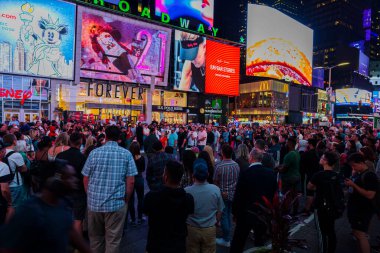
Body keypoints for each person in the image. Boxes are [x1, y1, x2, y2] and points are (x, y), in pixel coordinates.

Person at [0, 160, 91, 253]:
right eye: (70, 178)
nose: (75, 181)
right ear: (54, 181)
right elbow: (7, 248)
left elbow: (74, 236)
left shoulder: (63, 204)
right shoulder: (29, 211)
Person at [82, 125, 137, 253]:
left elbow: (85, 178)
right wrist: (126, 199)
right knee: (113, 241)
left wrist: (90, 196)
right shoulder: (126, 154)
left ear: (105, 136)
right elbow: (131, 181)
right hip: (116, 203)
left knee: (95, 240)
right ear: (119, 138)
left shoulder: (94, 153)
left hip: (94, 203)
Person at [231, 149, 277, 252]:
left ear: (251, 158)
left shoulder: (246, 173)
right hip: (263, 213)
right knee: (260, 243)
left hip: (246, 213)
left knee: (238, 242)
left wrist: (235, 212)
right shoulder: (270, 173)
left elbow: (238, 195)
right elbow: (274, 194)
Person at [143, 160, 194, 253]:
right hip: (178, 245)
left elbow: (146, 212)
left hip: (156, 245)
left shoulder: (151, 197)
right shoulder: (188, 199)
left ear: (165, 177)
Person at [185, 158, 224, 253]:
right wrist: (216, 222)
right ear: (207, 174)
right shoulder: (215, 189)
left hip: (191, 228)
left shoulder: (186, 191)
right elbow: (220, 211)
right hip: (209, 228)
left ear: (193, 175)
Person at [308, 152, 343, 253]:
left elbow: (309, 186)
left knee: (321, 232)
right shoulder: (336, 175)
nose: (320, 158)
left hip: (320, 207)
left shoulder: (318, 175)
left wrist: (318, 187)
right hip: (333, 206)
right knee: (331, 230)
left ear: (326, 161)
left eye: (322, 157)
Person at [345, 153, 378, 253]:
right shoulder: (360, 173)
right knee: (357, 233)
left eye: (354, 165)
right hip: (357, 209)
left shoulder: (370, 175)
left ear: (361, 163)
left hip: (363, 210)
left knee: (361, 235)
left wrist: (353, 185)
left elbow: (370, 195)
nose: (353, 168)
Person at [56, 132, 87, 236]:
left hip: (62, 190)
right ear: (80, 142)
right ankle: (77, 246)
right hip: (79, 191)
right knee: (78, 219)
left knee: (63, 215)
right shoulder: (82, 157)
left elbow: (56, 174)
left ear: (69, 142)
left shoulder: (60, 155)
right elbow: (84, 176)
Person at [214, 144, 240, 247]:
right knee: (228, 213)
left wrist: (220, 191)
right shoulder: (236, 165)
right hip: (233, 193)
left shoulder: (219, 166)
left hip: (223, 193)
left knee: (224, 214)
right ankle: (227, 235)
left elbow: (215, 181)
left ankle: (226, 238)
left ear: (222, 153)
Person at [3, 134, 27, 209]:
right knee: (15, 207)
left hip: (3, 184)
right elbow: (24, 169)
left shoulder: (2, 152)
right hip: (14, 184)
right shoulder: (16, 155)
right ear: (14, 141)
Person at [278, 136, 301, 215]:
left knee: (287, 195)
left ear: (290, 144)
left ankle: (285, 212)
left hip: (289, 178)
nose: (286, 144)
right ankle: (295, 211)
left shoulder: (289, 155)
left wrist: (277, 169)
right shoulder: (296, 153)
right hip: (296, 176)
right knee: (295, 195)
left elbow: (284, 169)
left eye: (287, 142)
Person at [128, 141, 145, 226]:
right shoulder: (141, 158)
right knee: (140, 198)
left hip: (130, 178)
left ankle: (133, 218)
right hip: (139, 178)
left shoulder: (128, 158)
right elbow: (143, 169)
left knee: (131, 199)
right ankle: (140, 217)